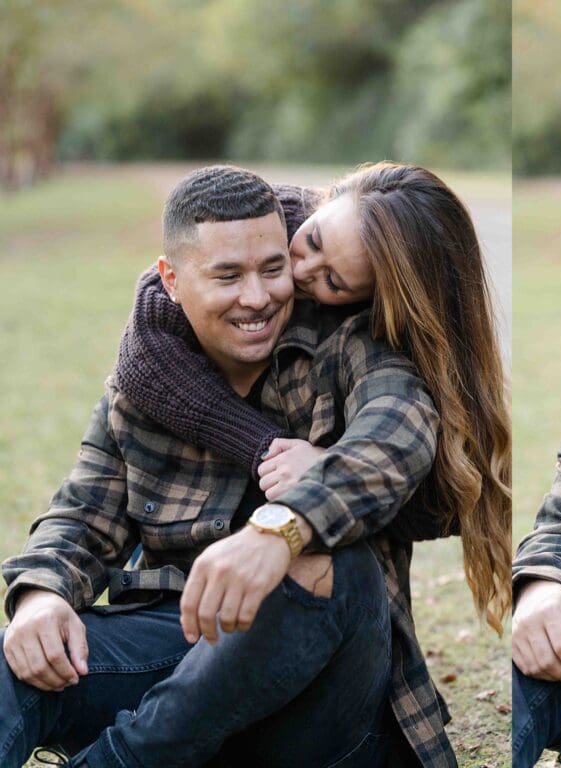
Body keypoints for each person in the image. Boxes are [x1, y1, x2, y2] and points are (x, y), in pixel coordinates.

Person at [0, 165, 453, 767]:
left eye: (272, 268)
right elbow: (83, 512)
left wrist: (281, 528)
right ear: (173, 279)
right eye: (227, 276)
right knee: (15, 658)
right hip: (177, 651)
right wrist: (40, 595)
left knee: (334, 560)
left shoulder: (347, 346)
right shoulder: (145, 383)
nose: (258, 297)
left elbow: (397, 437)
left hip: (318, 700)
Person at [115, 162, 512, 635]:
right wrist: (263, 445)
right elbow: (147, 352)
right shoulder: (267, 221)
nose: (298, 272)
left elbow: (402, 440)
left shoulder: (359, 342)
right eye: (314, 242)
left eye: (334, 282)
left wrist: (325, 475)